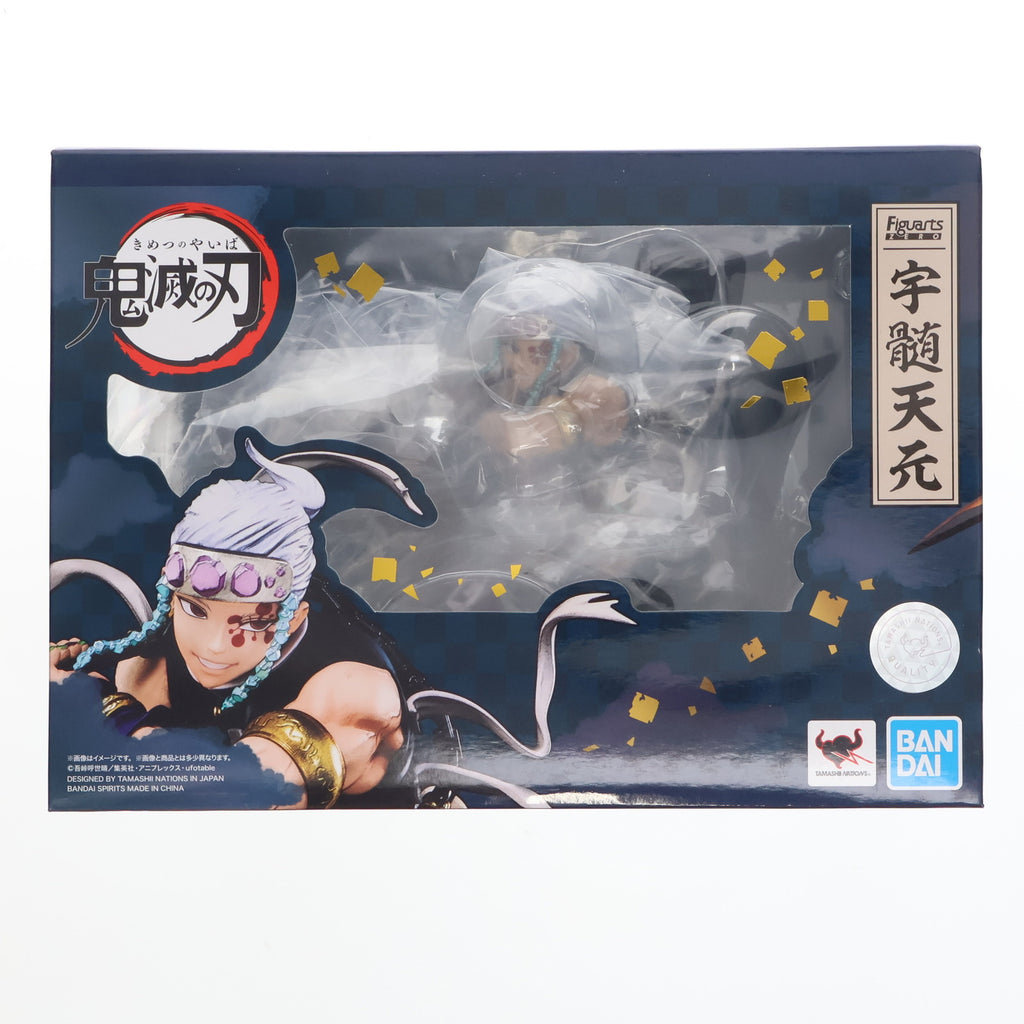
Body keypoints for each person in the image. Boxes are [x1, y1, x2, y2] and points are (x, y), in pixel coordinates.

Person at [49, 439, 413, 809]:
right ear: (170, 598)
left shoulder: (356, 687)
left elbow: (246, 795)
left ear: (293, 620)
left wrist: (90, 705)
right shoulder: (147, 670)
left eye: (253, 623)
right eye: (195, 610)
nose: (214, 646)